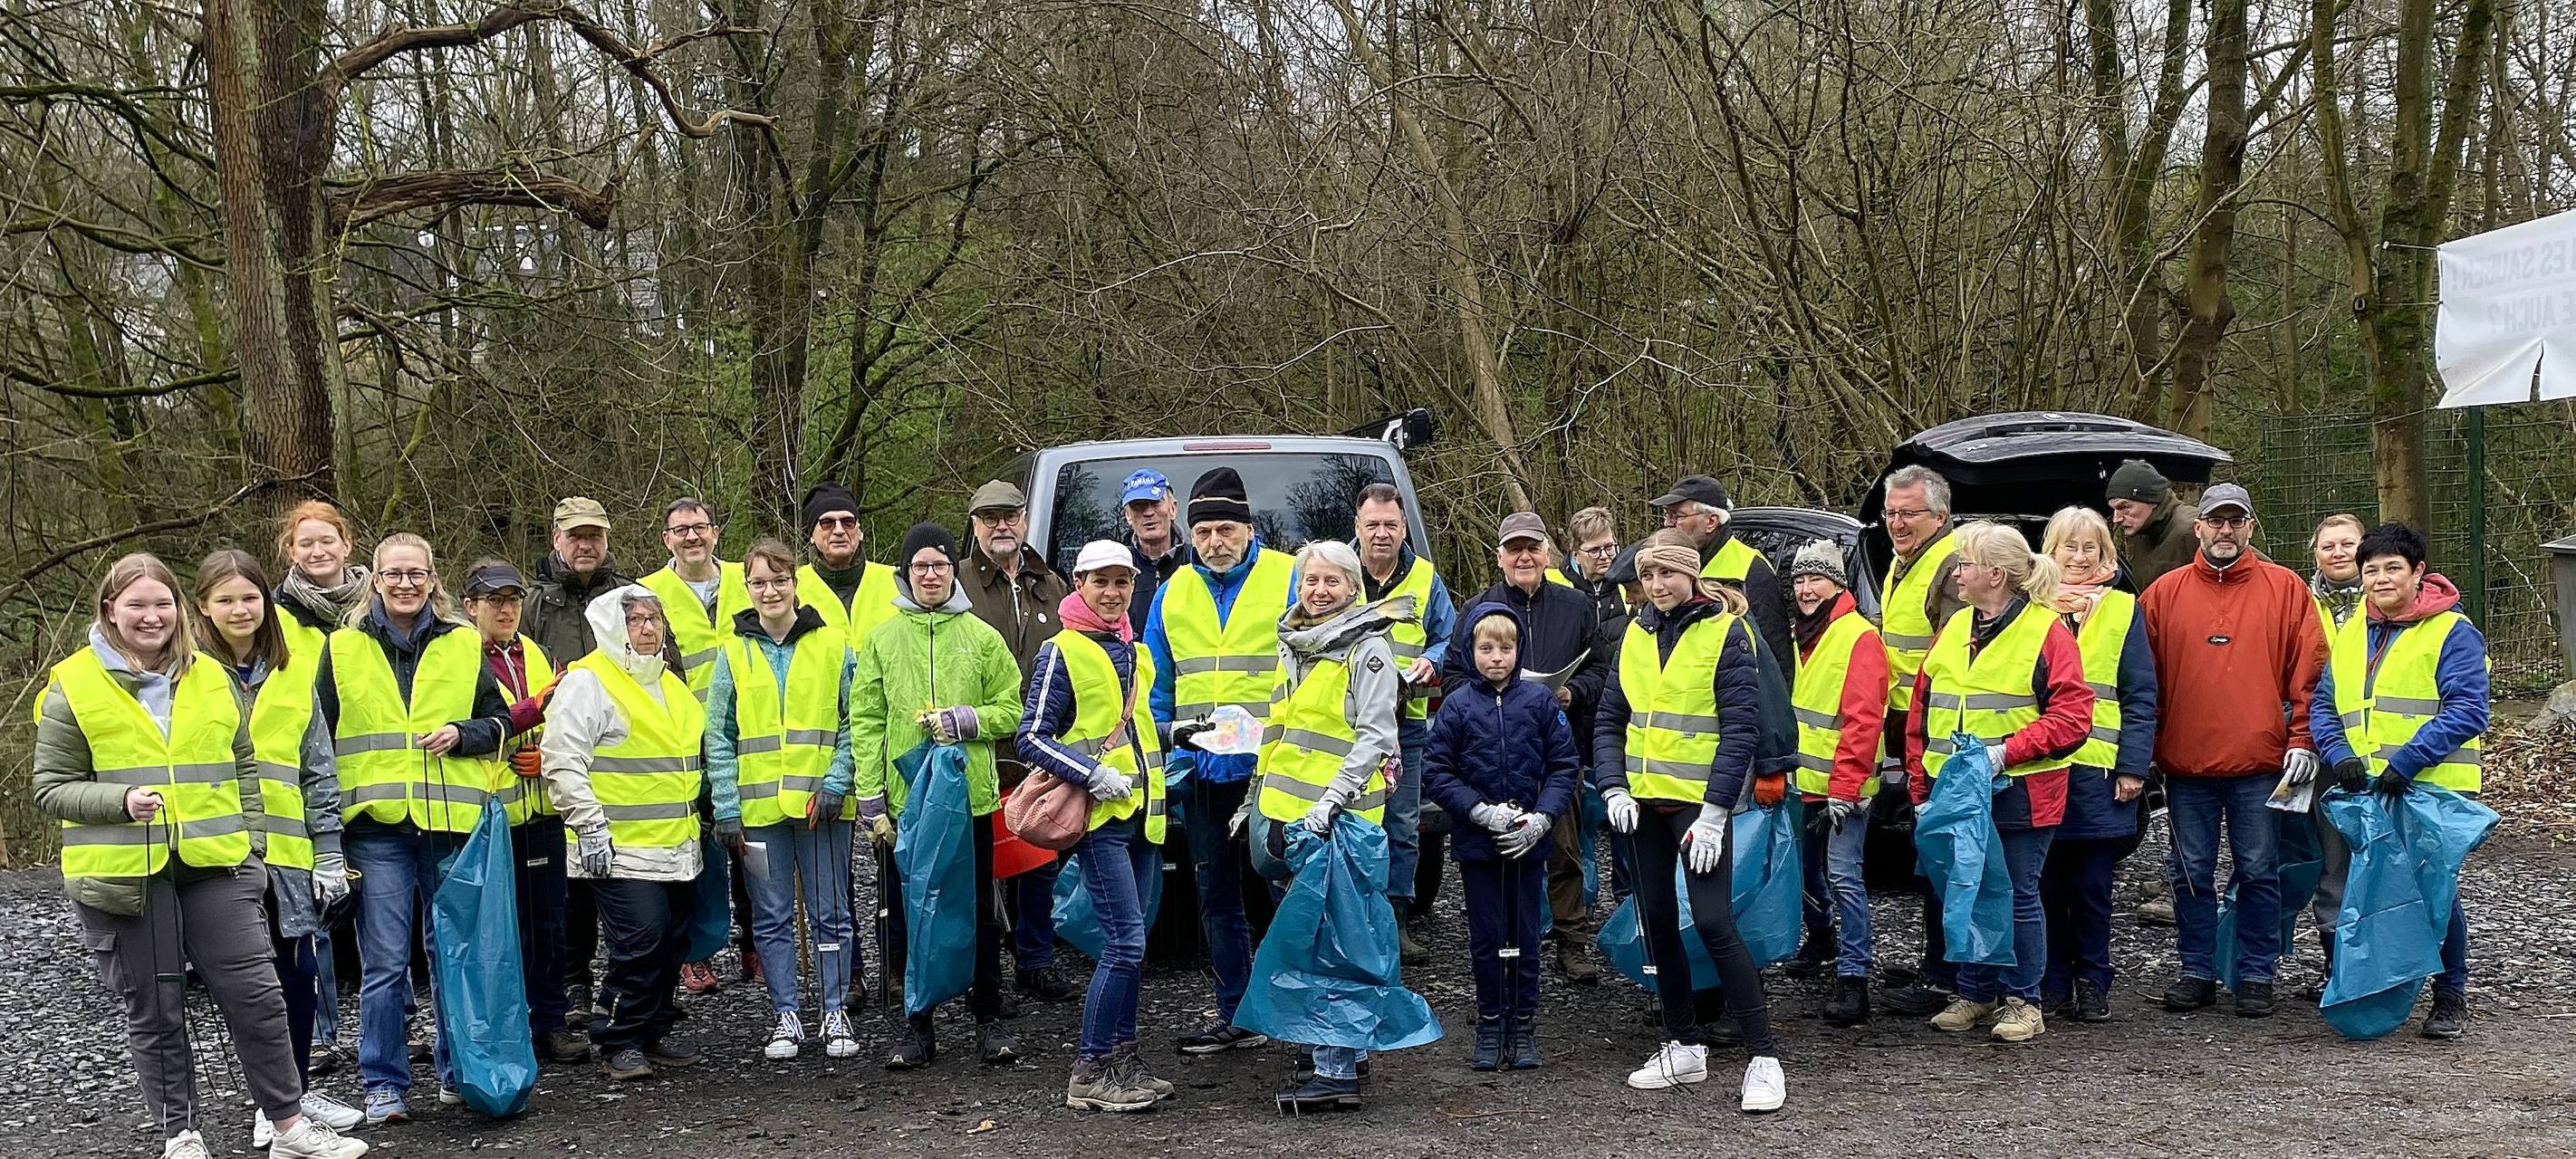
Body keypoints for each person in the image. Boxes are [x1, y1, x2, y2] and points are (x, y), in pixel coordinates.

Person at [35, 553, 371, 1159]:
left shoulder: (211, 675)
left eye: (160, 603)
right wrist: (119, 800)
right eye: (136, 605)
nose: (150, 616)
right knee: (158, 1009)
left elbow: (243, 763)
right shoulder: (73, 681)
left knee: (259, 997)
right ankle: (180, 1134)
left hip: (218, 866)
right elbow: (50, 786)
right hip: (123, 876)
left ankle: (288, 1125)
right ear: (109, 610)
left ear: (177, 609)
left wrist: (253, 848)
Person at [316, 534, 514, 1124]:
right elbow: (318, 742)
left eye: (416, 574)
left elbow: (500, 721)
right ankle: (383, 1082)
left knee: (453, 954)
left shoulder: (462, 644)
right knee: (383, 961)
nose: (405, 584)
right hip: (376, 828)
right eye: (393, 574)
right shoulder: (342, 648)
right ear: (374, 580)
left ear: (433, 580)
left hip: (450, 823)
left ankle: (459, 1071)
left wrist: (461, 733)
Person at [1592, 532, 1784, 1113]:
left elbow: (1740, 730)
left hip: (1699, 809)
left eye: (1668, 575)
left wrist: (1717, 812)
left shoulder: (1726, 633)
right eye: (1649, 577)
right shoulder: (1634, 634)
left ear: (1692, 576)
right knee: (1657, 922)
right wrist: (1612, 786)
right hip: (1643, 808)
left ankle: (1764, 1057)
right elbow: (1610, 718)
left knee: (1714, 923)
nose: (1657, 586)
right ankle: (1683, 1044)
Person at [188, 551, 369, 1143]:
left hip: (288, 853)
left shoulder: (292, 671)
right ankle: (271, 1104)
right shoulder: (186, 674)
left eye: (250, 597)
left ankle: (289, 1095)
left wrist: (327, 851)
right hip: (218, 852)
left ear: (266, 604)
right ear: (203, 608)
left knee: (298, 978)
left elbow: (318, 770)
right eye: (226, 599)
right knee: (247, 986)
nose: (240, 609)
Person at [2139, 484, 2326, 1018]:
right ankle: (2196, 969)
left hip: (2261, 765)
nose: (2225, 530)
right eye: (2215, 521)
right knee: (2190, 870)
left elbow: (2310, 675)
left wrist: (2303, 739)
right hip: (2185, 765)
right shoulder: (2163, 594)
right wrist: (2145, 750)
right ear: (2197, 527)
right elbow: (2143, 681)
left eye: (2235, 521)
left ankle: (2255, 974)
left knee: (2260, 870)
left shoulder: (2286, 590)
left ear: (2250, 527)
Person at [1906, 521, 2093, 1044]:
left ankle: (2022, 1000)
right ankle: (1975, 990)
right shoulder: (1956, 627)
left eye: (1964, 564)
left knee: (2014, 893)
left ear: (1995, 574)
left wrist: (2004, 753)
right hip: (1955, 792)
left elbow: (2074, 717)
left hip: (2021, 790)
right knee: (1962, 888)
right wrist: (1923, 792)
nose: (1956, 573)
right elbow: (1923, 711)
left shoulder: (2046, 631)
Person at [850, 523, 1027, 1069]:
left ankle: (988, 1018)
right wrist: (872, 799)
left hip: (969, 799)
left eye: (941, 565)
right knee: (907, 914)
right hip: (910, 803)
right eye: (921, 566)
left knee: (978, 912)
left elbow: (1012, 708)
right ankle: (916, 1026)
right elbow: (865, 720)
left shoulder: (982, 637)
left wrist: (965, 721)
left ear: (954, 571)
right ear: (905, 574)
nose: (931, 575)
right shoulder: (880, 639)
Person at [1253, 540, 1414, 1112]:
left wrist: (1330, 802)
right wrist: (1255, 800)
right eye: (1309, 581)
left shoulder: (1367, 650)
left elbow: (1377, 736)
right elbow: (1278, 726)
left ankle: (1336, 1069)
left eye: (1331, 582)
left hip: (1338, 821)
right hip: (1288, 816)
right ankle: (1332, 1044)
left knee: (1335, 938)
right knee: (1309, 933)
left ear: (1353, 588)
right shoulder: (1296, 645)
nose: (1318, 592)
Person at [2311, 522, 2488, 1039]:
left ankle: (2450, 993)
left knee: (2434, 889)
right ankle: (2388, 985)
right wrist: (2340, 753)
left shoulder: (2452, 632)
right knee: (2380, 888)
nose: (2382, 579)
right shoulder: (2351, 635)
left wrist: (2408, 761)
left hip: (2432, 789)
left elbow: (2469, 709)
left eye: (2393, 569)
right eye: (2372, 571)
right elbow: (2326, 704)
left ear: (2418, 575)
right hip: (2369, 787)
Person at [1017, 541, 1177, 1112]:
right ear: (1078, 584)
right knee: (1125, 943)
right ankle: (1090, 1068)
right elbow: (1029, 735)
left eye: (1122, 583)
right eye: (1100, 582)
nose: (1112, 594)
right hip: (1100, 820)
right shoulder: (1061, 650)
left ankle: (1122, 1058)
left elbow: (1139, 729)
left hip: (1142, 816)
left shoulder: (1134, 649)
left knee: (1134, 944)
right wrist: (1091, 772)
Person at [1144, 466, 1294, 1055]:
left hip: (1273, 768)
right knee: (1216, 898)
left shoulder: (1288, 578)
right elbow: (1157, 685)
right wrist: (1163, 749)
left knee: (1284, 891)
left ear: (1249, 528)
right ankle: (1238, 1013)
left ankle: (1298, 1015)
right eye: (1204, 531)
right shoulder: (1172, 590)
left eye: (1226, 528)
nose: (1215, 542)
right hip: (1204, 771)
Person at [539, 586, 708, 1081]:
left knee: (673, 943)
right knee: (643, 940)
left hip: (678, 847)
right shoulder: (589, 681)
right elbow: (562, 758)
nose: (648, 628)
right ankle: (618, 1036)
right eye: (636, 620)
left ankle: (650, 1031)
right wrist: (588, 826)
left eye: (655, 619)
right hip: (617, 847)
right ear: (615, 626)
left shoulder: (671, 685)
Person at [704, 540, 860, 1061]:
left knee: (831, 913)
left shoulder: (834, 644)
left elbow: (853, 720)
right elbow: (719, 735)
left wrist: (838, 782)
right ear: (746, 588)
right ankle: (786, 1015)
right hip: (759, 812)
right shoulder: (733, 652)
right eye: (758, 582)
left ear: (795, 582)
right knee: (769, 918)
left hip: (822, 810)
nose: (769, 590)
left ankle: (835, 1012)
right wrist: (725, 806)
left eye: (778, 579)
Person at [1443, 512, 1610, 982]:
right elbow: (1453, 676)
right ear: (1500, 557)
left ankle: (1573, 943)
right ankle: (1510, 943)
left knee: (1566, 851)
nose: (1524, 557)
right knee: (1497, 852)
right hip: (1491, 757)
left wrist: (1571, 693)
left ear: (1547, 553)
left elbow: (1602, 671)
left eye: (1532, 547)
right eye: (1514, 548)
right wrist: (1493, 695)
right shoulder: (1479, 608)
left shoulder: (1577, 606)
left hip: (1559, 753)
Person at [1423, 605, 1581, 1071]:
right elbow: (1436, 770)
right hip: (1479, 844)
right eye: (1486, 648)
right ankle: (1490, 1022)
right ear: (1471, 651)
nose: (1497, 658)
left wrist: (1543, 818)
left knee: (1525, 934)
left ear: (1519, 651)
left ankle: (1524, 1023)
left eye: (1506, 649)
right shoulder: (1458, 705)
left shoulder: (1539, 702)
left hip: (1529, 843)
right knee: (1487, 936)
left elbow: (1564, 764)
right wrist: (1479, 811)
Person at [2033, 509, 2158, 1024]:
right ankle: (2052, 980)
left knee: (2091, 889)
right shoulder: (2030, 608)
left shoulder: (2124, 610)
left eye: (2091, 549)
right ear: (2050, 553)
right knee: (2043, 885)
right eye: (2069, 548)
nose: (2080, 559)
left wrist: (2134, 767)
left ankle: (2093, 981)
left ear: (2106, 555)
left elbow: (2140, 694)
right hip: (2038, 769)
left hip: (2099, 772)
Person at [459, 560, 584, 1063]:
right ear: (470, 607)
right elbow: (467, 728)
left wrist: (545, 753)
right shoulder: (459, 657)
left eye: (512, 599)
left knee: (549, 927)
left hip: (542, 810)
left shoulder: (531, 650)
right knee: (496, 933)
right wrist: (521, 732)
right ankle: (503, 1031)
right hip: (491, 818)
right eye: (495, 600)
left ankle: (549, 1023)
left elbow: (560, 720)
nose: (506, 609)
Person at [959, 479, 1079, 1004]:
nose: (1000, 526)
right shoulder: (959, 582)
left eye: (1009, 516)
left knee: (1039, 856)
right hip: (984, 742)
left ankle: (1035, 960)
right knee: (984, 866)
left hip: (1042, 743)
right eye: (989, 519)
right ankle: (983, 973)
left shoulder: (1050, 584)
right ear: (976, 527)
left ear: (1025, 519)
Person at [524, 496, 631, 1017]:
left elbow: (662, 667)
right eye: (576, 536)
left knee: (621, 874)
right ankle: (572, 982)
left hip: (625, 759)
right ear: (557, 540)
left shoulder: (630, 597)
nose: (586, 545)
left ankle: (624, 986)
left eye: (595, 536)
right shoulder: (532, 603)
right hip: (557, 760)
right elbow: (513, 679)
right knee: (567, 883)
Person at [268, 502, 367, 1075]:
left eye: (327, 540)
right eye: (305, 543)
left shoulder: (377, 609)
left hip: (370, 774)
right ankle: (324, 1034)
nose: (317, 551)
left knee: (379, 908)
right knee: (316, 908)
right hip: (306, 776)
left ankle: (395, 1020)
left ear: (346, 544)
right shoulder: (276, 616)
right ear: (290, 552)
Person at [1781, 540, 1887, 1026]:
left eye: (1815, 579)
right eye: (1800, 579)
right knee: (1804, 874)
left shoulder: (1858, 637)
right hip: (1802, 784)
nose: (1805, 588)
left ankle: (1854, 977)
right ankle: (1821, 937)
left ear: (1837, 584)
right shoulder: (1800, 633)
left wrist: (1845, 789)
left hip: (1845, 788)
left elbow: (1863, 722)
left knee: (1845, 878)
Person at [1350, 482, 1456, 964]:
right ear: (1357, 526)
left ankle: (1396, 923)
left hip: (1407, 725)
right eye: (1372, 525)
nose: (1381, 534)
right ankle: (1355, 922)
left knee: (1403, 825)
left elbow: (1450, 640)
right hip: (1343, 726)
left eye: (1390, 525)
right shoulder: (1335, 571)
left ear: (1403, 527)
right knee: (1349, 821)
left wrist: (1433, 662)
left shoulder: (1426, 577)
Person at [1873, 465, 1966, 1017]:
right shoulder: (1903, 562)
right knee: (1924, 848)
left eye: (1909, 513)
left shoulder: (1950, 565)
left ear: (1939, 515)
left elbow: (1955, 653)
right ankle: (1939, 959)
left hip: (1937, 725)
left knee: (1940, 849)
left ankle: (1945, 972)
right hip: (1906, 720)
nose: (1897, 523)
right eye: (1891, 513)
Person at [1652, 474, 1790, 664]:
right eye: (1667, 515)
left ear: (1711, 521)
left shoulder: (1750, 570)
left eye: (1678, 516)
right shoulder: (1669, 568)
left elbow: (1776, 654)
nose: (1668, 523)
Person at [638, 498, 753, 697]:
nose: (692, 537)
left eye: (700, 527)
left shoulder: (749, 578)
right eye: (681, 530)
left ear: (715, 533)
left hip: (753, 718)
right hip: (688, 722)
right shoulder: (646, 592)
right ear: (666, 539)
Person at [795, 483, 902, 641]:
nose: (839, 530)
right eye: (827, 523)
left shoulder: (896, 581)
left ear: (859, 532)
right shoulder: (791, 585)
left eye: (848, 522)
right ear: (811, 535)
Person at [1118, 469, 1194, 634]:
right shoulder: (1116, 569)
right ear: (1128, 516)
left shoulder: (1198, 563)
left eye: (1156, 503)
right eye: (1138, 506)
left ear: (1173, 508)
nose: (1148, 512)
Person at [2107, 459, 2196, 592]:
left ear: (2152, 500)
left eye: (2124, 507)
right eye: (2114, 509)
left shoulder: (2192, 529)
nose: (2116, 519)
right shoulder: (2141, 529)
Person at [1556, 506, 1627, 626]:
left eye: (1609, 547)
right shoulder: (1556, 586)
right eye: (1594, 551)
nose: (1604, 555)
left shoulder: (1630, 582)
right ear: (1576, 555)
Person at [2311, 513, 2367, 631]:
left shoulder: (2386, 597)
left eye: (2347, 544)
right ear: (2317, 556)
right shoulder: (2303, 603)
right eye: (2328, 547)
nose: (2338, 553)